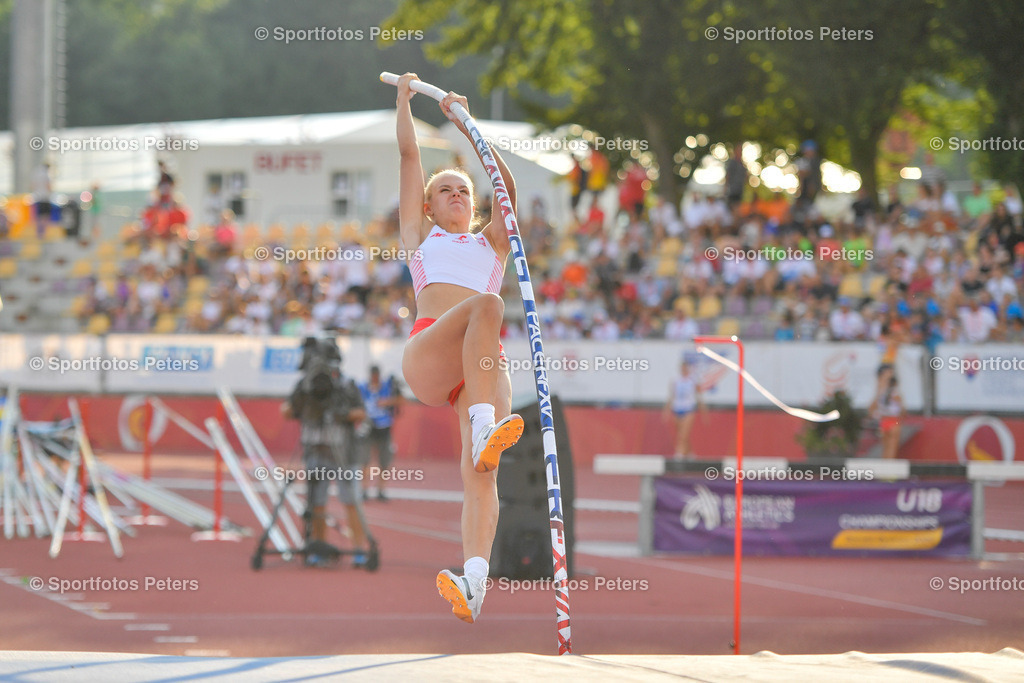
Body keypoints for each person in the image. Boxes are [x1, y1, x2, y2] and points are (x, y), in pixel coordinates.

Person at [395, 73, 525, 624]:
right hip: (430, 351)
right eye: (445, 189)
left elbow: (508, 193)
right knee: (489, 308)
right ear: (428, 206)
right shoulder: (420, 238)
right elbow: (407, 157)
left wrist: (472, 131)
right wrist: (404, 101)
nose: (455, 194)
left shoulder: (491, 243)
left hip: (481, 368)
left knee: (482, 479)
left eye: (463, 190)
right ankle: (482, 423)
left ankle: (473, 583)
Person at [281, 337, 372, 567]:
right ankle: (318, 548)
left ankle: (359, 549)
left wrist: (338, 414)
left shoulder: (346, 385)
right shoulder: (305, 385)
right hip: (315, 451)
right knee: (316, 502)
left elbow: (361, 413)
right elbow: (287, 411)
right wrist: (307, 406)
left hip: (344, 453)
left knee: (351, 501)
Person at [359, 365, 404, 501]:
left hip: (384, 426)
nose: (375, 378)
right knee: (364, 459)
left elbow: (400, 400)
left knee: (384, 460)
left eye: (376, 375)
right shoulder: (363, 387)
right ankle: (364, 489)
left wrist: (386, 402)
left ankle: (381, 489)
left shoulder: (388, 386)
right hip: (368, 426)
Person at [663, 360, 705, 459]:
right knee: (680, 434)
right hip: (677, 409)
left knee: (683, 434)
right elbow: (671, 396)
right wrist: (667, 410)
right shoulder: (675, 380)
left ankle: (679, 454)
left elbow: (699, 397)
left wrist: (703, 411)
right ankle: (690, 453)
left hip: (688, 409)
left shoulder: (693, 381)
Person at [870, 364, 904, 459]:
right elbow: (871, 409)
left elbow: (902, 410)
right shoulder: (880, 390)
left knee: (892, 445)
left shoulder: (894, 390)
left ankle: (889, 466)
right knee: (886, 446)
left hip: (894, 420)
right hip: (884, 420)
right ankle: (886, 467)